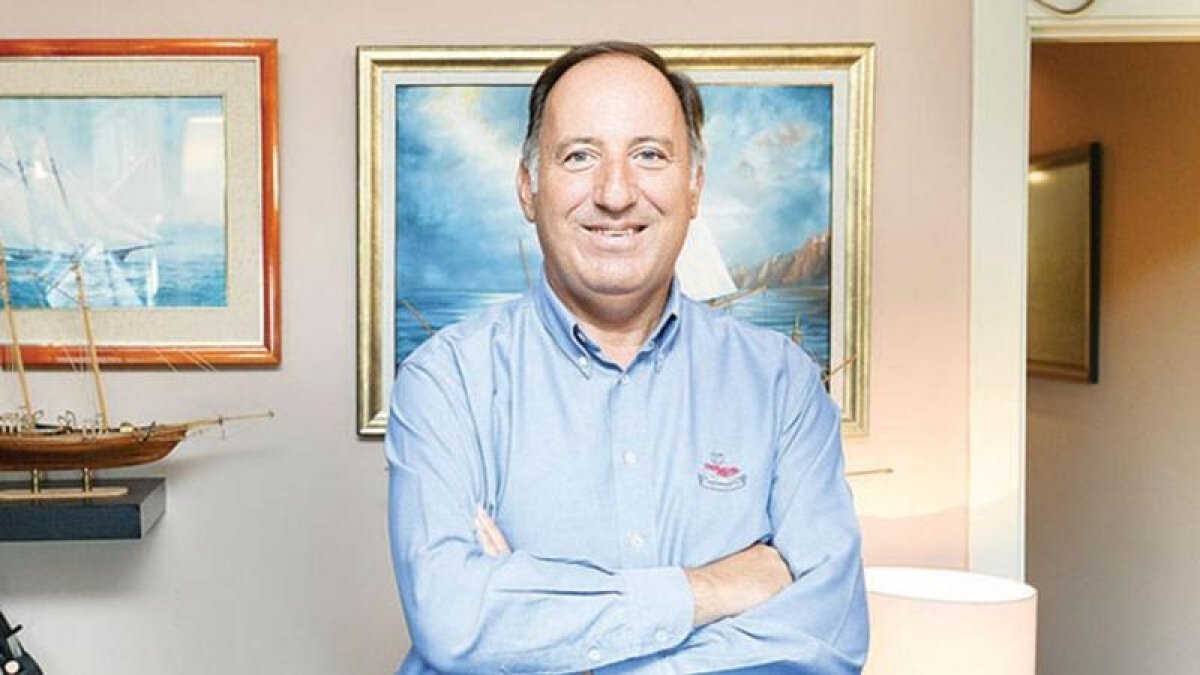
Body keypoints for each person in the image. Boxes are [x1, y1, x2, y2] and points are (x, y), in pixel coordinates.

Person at [386, 41, 868, 674]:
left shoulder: (784, 386)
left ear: (694, 187)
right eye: (579, 156)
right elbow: (455, 621)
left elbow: (824, 643)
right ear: (528, 188)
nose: (616, 193)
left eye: (649, 155)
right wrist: (710, 589)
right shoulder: (446, 381)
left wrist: (540, 628)